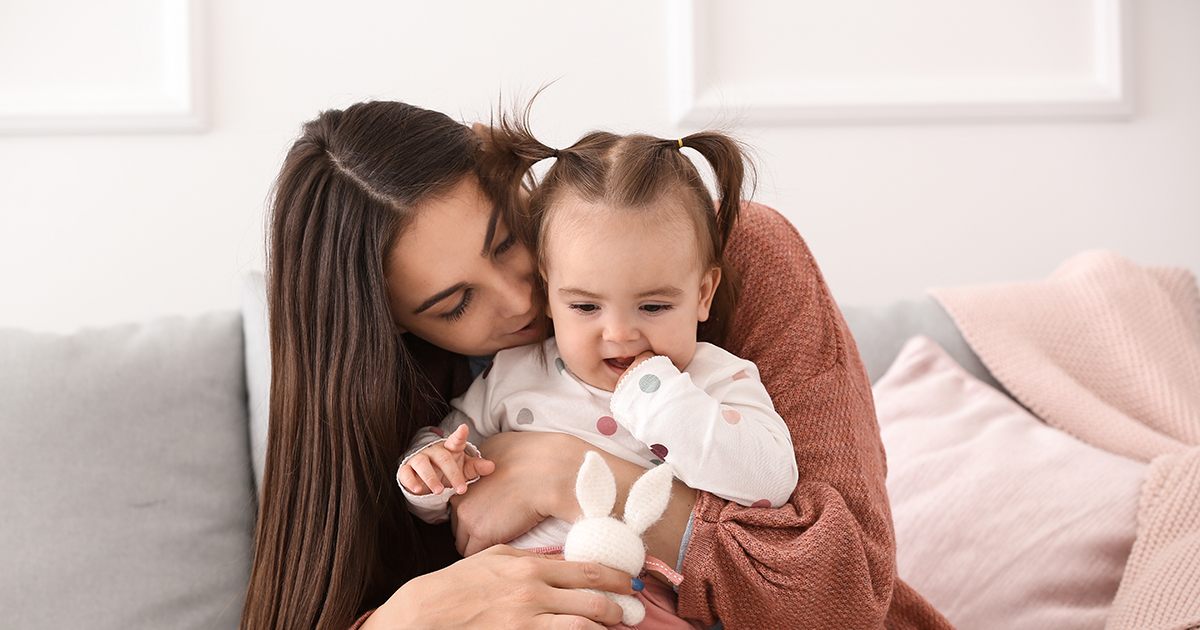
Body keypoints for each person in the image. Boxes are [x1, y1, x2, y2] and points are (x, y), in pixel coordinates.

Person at [240, 100, 952, 629]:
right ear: (392, 328)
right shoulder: (425, 397)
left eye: (507, 241)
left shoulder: (726, 255)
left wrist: (565, 475)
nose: (524, 298)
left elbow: (842, 595)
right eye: (456, 304)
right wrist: (408, 619)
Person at [396, 128, 799, 627]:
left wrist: (656, 394)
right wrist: (430, 471)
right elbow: (451, 458)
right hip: (514, 599)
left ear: (703, 294)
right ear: (549, 293)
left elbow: (770, 483)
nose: (619, 334)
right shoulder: (516, 371)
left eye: (654, 306)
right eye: (586, 307)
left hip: (645, 601)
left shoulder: (712, 377)